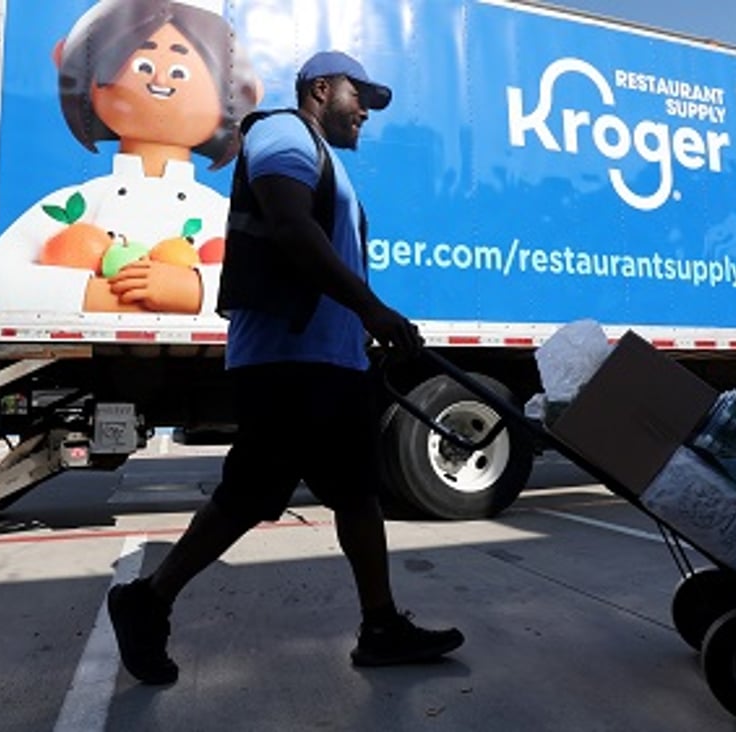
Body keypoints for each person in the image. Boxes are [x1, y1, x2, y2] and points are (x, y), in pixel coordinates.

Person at [106, 50, 465, 685]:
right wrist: (373, 310)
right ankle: (147, 600)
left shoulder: (324, 160)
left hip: (327, 359)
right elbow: (291, 228)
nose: (366, 116)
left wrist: (359, 329)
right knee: (253, 493)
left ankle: (380, 626)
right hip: (287, 358)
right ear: (321, 89)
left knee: (354, 491)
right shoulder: (282, 134)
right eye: (361, 99)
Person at [0, 0, 262, 316]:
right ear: (84, 81)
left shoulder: (221, 212)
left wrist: (196, 290)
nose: (160, 80)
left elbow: (271, 281)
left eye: (179, 71)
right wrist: (93, 295)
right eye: (143, 66)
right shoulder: (79, 202)